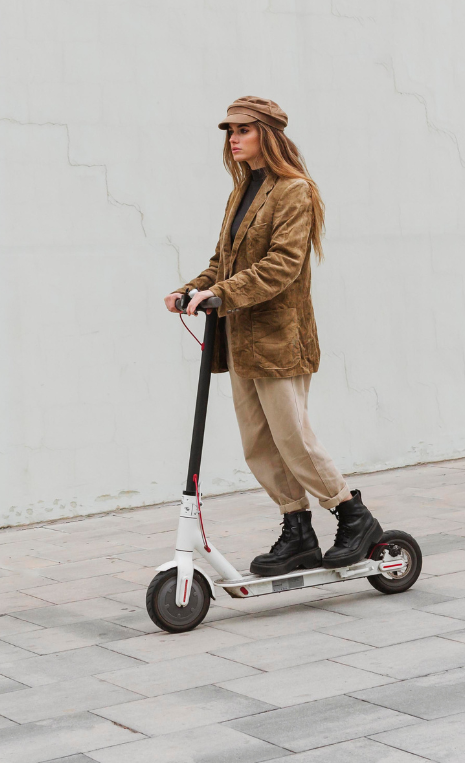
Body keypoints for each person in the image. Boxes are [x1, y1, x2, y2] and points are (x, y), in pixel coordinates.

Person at [164, 96, 384, 577]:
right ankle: (297, 530)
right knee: (259, 445)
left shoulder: (295, 191)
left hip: (280, 339)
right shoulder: (243, 190)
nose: (233, 138)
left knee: (294, 439)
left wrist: (221, 293)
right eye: (229, 131)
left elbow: (281, 266)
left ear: (268, 133)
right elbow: (224, 263)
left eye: (243, 129)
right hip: (241, 340)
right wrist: (193, 290)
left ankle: (353, 517)